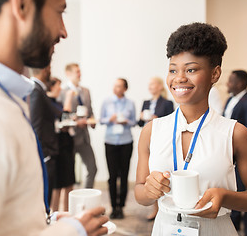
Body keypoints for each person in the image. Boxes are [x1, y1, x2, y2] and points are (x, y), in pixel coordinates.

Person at [0, 0, 108, 235]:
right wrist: (72, 231)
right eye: (59, 12)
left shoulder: (0, 96)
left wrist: (44, 221)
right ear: (21, 5)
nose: (64, 32)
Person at [134, 22, 247, 235]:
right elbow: (139, 192)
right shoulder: (152, 130)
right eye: (173, 70)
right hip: (165, 229)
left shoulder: (235, 133)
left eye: (191, 69)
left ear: (215, 74)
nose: (179, 78)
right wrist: (149, 191)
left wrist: (225, 197)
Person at [223, 70, 247, 236]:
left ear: (239, 83)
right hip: (228, 154)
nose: (227, 83)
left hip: (243, 155)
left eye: (230, 81)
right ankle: (234, 227)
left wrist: (232, 132)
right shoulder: (230, 100)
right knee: (234, 190)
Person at [137, 77, 174, 220]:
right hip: (148, 140)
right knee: (150, 174)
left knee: (161, 173)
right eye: (149, 84)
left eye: (153, 84)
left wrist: (156, 118)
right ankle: (155, 209)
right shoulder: (146, 102)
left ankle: (164, 207)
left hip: (162, 140)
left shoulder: (167, 103)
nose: (150, 87)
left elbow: (170, 121)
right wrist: (141, 117)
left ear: (160, 86)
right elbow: (140, 123)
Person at [100, 78, 136, 219]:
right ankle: (113, 207)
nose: (116, 88)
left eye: (119, 86)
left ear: (125, 89)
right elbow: (101, 119)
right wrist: (110, 119)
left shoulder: (130, 103)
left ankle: (121, 207)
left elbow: (134, 122)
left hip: (126, 142)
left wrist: (126, 121)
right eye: (115, 86)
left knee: (124, 175)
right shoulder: (106, 102)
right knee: (112, 176)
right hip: (110, 142)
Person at [61, 63, 97, 189]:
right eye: (77, 72)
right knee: (68, 173)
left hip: (84, 138)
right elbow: (62, 115)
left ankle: (86, 197)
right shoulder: (62, 91)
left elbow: (90, 112)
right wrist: (75, 120)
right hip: (70, 138)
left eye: (80, 71)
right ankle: (71, 201)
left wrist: (92, 122)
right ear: (68, 74)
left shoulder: (86, 91)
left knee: (92, 168)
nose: (80, 74)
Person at [30, 66, 61, 205]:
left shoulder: (39, 89)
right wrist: (44, 153)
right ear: (45, 70)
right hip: (45, 152)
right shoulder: (36, 90)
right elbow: (36, 125)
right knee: (45, 197)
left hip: (48, 150)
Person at [45, 76, 76, 212]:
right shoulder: (47, 102)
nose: (61, 88)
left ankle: (67, 212)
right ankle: (54, 213)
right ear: (51, 87)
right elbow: (63, 115)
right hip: (56, 146)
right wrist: (69, 97)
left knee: (69, 182)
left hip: (67, 144)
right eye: (58, 85)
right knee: (57, 184)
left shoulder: (57, 102)